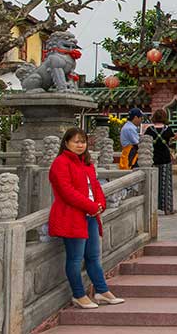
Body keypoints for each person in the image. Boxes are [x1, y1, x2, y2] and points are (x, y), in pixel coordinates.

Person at [48, 127, 124, 309]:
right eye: (76, 141)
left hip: (90, 216)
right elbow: (67, 192)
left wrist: (100, 204)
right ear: (66, 143)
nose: (80, 145)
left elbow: (95, 186)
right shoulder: (60, 163)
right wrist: (90, 206)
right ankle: (79, 294)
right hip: (72, 216)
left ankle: (101, 290)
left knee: (93, 256)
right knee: (75, 258)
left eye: (83, 141)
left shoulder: (87, 163)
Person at [145, 109, 176, 215]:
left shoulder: (149, 129)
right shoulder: (168, 129)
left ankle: (152, 207)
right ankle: (167, 208)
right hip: (165, 159)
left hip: (152, 159)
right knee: (166, 184)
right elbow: (171, 142)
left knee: (153, 183)